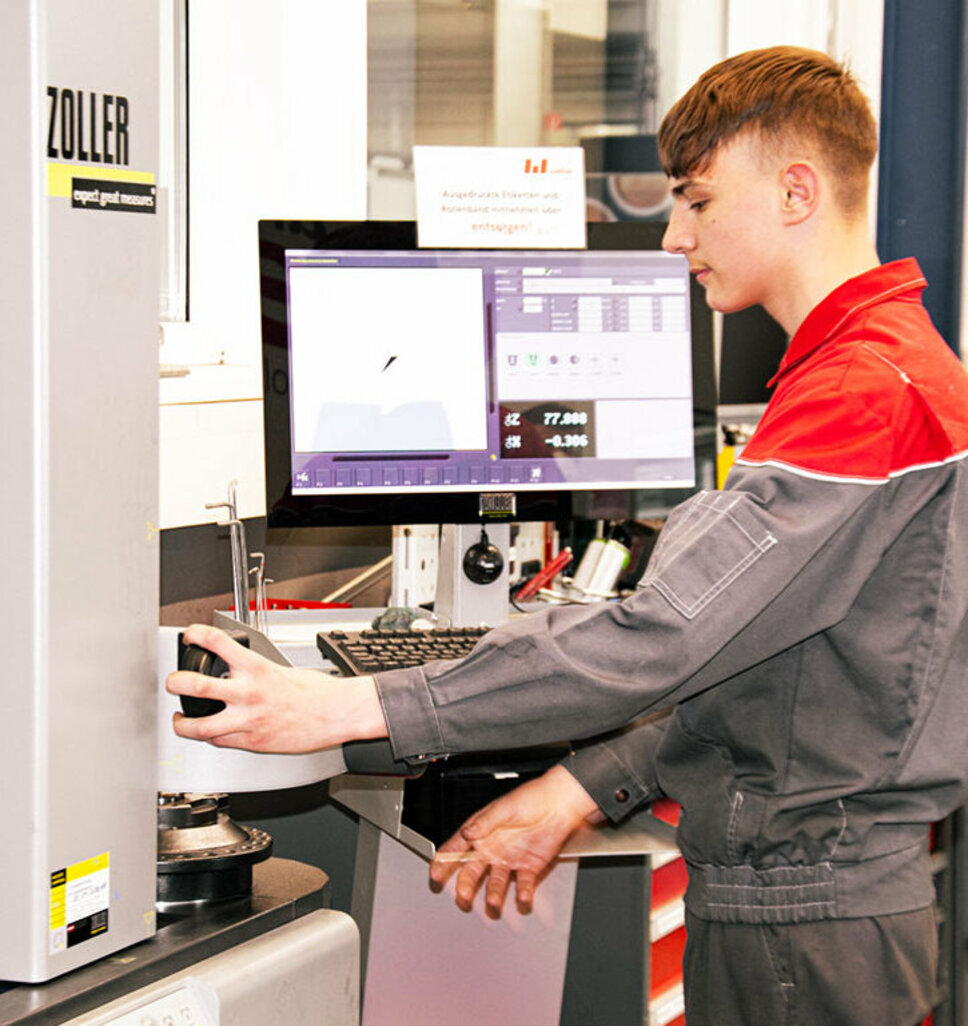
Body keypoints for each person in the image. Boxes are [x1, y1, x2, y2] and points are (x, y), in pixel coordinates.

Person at [168, 46, 968, 1026]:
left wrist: (345, 708)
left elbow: (660, 636)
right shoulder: (872, 373)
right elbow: (756, 670)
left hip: (803, 911)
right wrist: (581, 785)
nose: (674, 236)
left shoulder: (861, 397)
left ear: (794, 191)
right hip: (799, 895)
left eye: (699, 201)